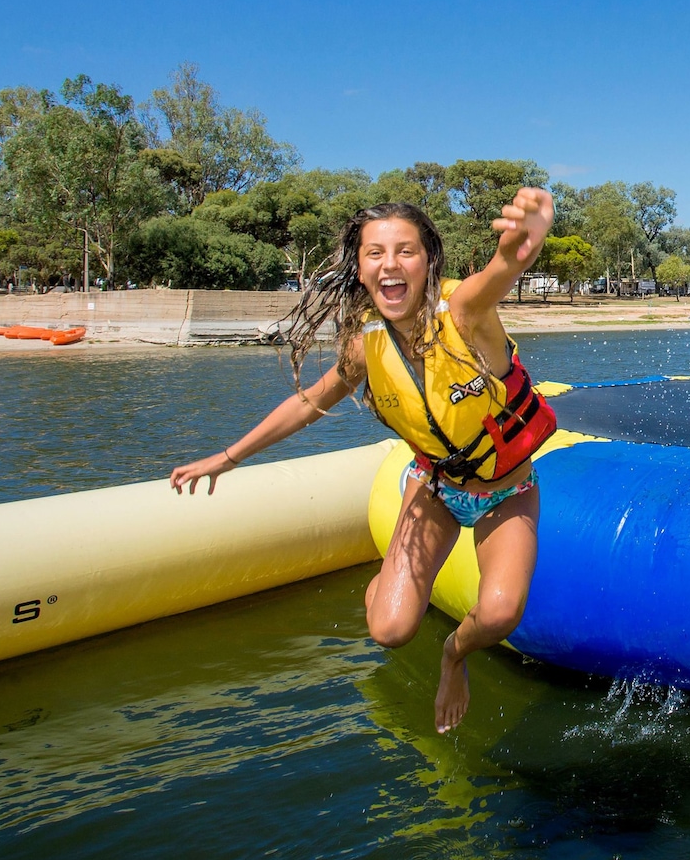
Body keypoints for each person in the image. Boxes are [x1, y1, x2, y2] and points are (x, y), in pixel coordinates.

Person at [169, 191, 558, 733]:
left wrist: (525, 242)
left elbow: (502, 269)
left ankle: (453, 655)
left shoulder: (464, 312)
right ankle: (395, 581)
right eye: (375, 253)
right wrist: (228, 457)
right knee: (390, 630)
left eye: (405, 251)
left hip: (505, 492)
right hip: (436, 488)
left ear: (428, 261)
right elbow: (308, 403)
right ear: (359, 268)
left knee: (498, 614)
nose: (390, 264)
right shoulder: (366, 344)